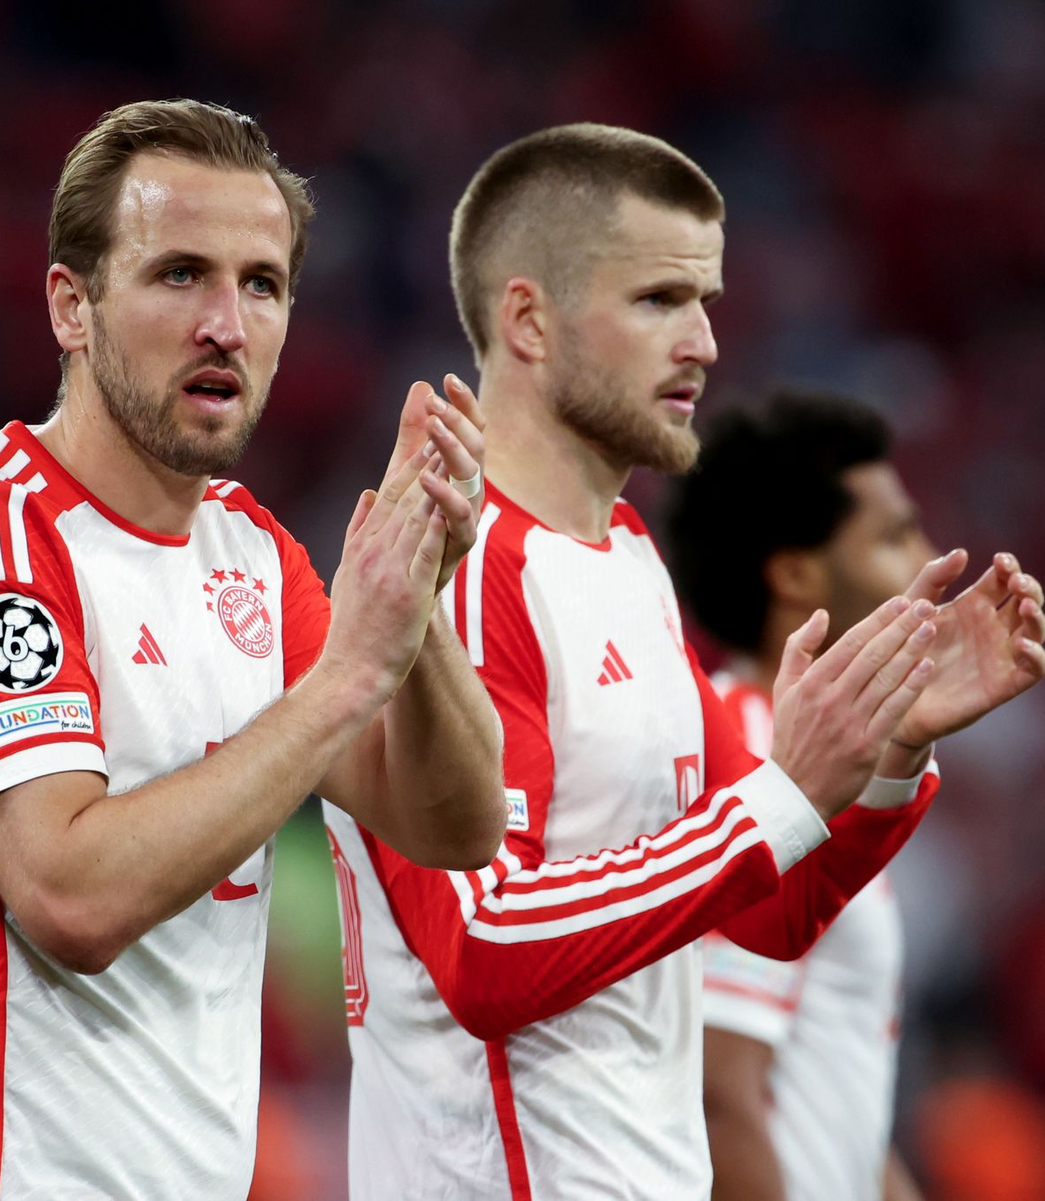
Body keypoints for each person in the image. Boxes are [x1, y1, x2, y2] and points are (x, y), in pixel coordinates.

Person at [321, 124, 1045, 1199]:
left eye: (705, 301)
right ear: (528, 319)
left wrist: (888, 747)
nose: (705, 341)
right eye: (660, 301)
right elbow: (480, 948)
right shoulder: (457, 573)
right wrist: (781, 796)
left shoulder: (626, 558)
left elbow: (764, 910)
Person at [0, 98, 506, 1201]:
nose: (227, 325)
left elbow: (457, 821)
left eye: (262, 283)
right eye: (178, 274)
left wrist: (416, 609)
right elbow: (70, 897)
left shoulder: (250, 551)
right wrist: (347, 674)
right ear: (72, 304)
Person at [664, 391, 935, 1201]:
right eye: (894, 536)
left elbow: (834, 1113)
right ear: (794, 572)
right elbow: (717, 1094)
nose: (930, 555)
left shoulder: (817, 763)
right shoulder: (749, 763)